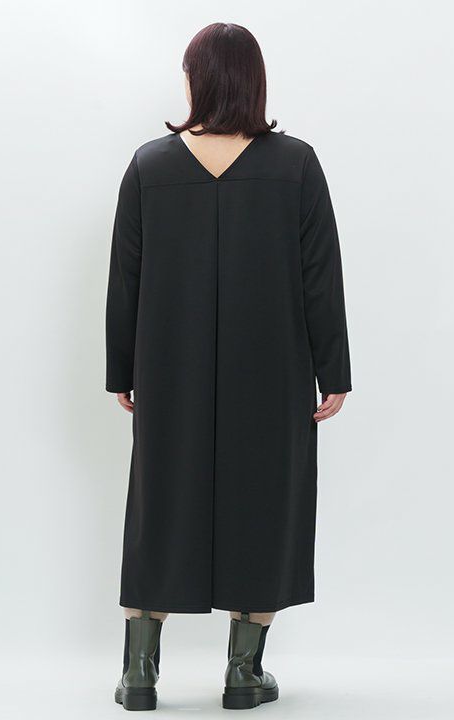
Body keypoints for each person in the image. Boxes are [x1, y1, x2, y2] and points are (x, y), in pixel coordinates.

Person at [105, 22, 351, 711]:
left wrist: (122, 370)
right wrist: (333, 371)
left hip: (168, 367)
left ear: (198, 79)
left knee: (159, 502)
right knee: (265, 501)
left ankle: (139, 674)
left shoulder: (150, 166)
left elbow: (126, 279)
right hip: (272, 368)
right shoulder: (296, 164)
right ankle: (243, 675)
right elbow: (320, 278)